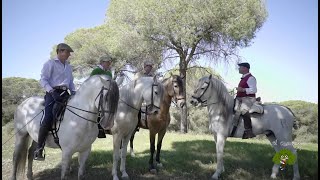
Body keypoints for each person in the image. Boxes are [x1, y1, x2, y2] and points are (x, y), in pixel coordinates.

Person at [34, 43, 76, 160]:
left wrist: (74, 92)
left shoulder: (68, 66)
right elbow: (43, 79)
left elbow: (71, 82)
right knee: (48, 117)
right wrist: (51, 91)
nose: (69, 55)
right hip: (52, 93)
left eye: (69, 53)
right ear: (61, 51)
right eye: (68, 53)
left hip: (65, 93)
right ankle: (39, 148)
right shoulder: (50, 63)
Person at [90, 54, 113, 138]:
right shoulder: (96, 71)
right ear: (102, 62)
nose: (109, 64)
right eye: (107, 62)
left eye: (109, 63)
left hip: (107, 95)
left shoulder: (109, 73)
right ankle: (99, 129)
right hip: (97, 95)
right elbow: (90, 83)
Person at [235, 62, 257, 139]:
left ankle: (249, 131)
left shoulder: (251, 78)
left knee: (243, 109)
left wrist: (243, 89)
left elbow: (254, 90)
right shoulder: (243, 78)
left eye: (240, 67)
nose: (239, 68)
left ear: (245, 68)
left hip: (248, 99)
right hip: (241, 98)